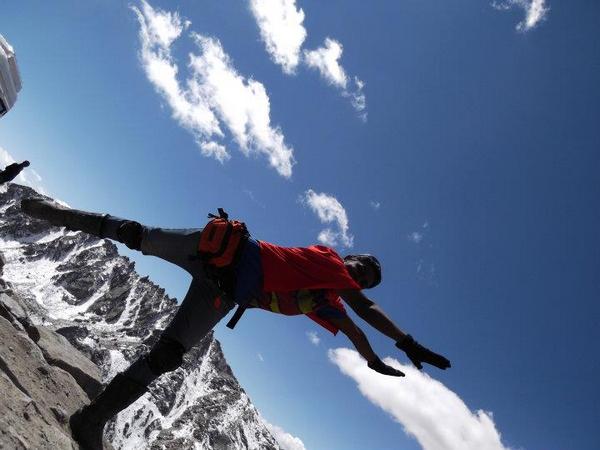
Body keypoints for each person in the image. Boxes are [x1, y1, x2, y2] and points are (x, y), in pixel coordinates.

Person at [20, 198, 450, 450]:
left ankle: (90, 420)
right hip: (215, 252)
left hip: (220, 294)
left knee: (168, 355)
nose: (359, 277)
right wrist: (408, 341)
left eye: (365, 277)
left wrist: (373, 360)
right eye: (361, 269)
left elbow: (355, 325)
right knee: (138, 234)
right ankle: (51, 212)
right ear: (349, 258)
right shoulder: (329, 260)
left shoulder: (325, 296)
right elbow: (365, 309)